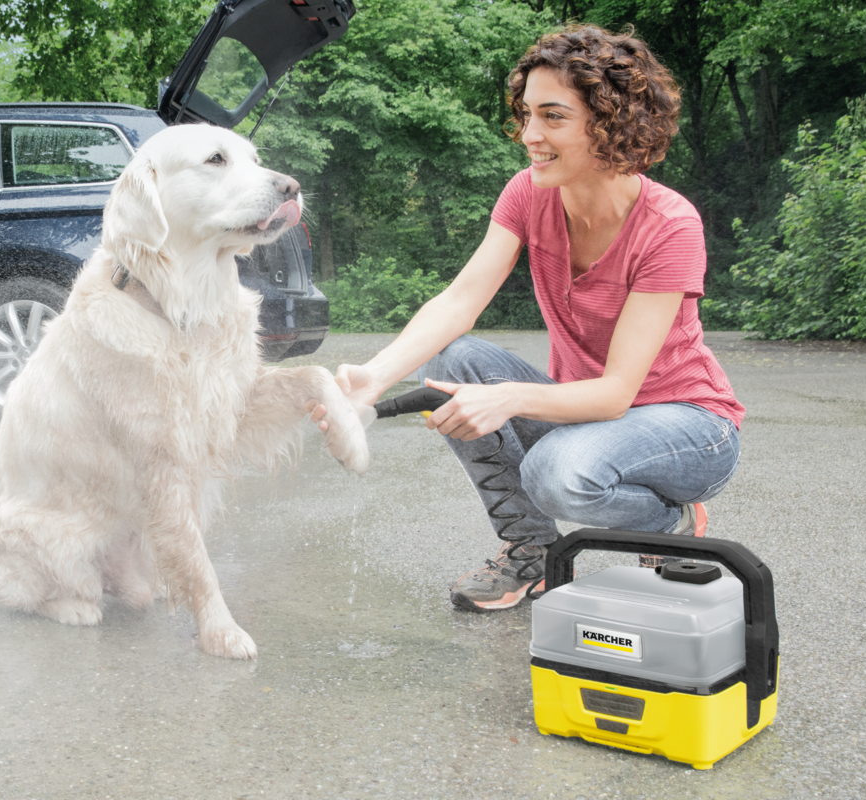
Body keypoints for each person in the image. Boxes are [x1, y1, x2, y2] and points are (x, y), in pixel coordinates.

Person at [313, 25, 744, 612]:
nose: (529, 135)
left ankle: (665, 519)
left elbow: (618, 394)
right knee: (456, 361)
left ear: (612, 121)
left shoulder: (670, 225)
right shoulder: (527, 193)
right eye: (525, 114)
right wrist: (375, 376)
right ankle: (533, 551)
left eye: (552, 117)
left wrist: (509, 399)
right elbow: (459, 302)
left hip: (688, 426)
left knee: (555, 473)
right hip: (589, 414)